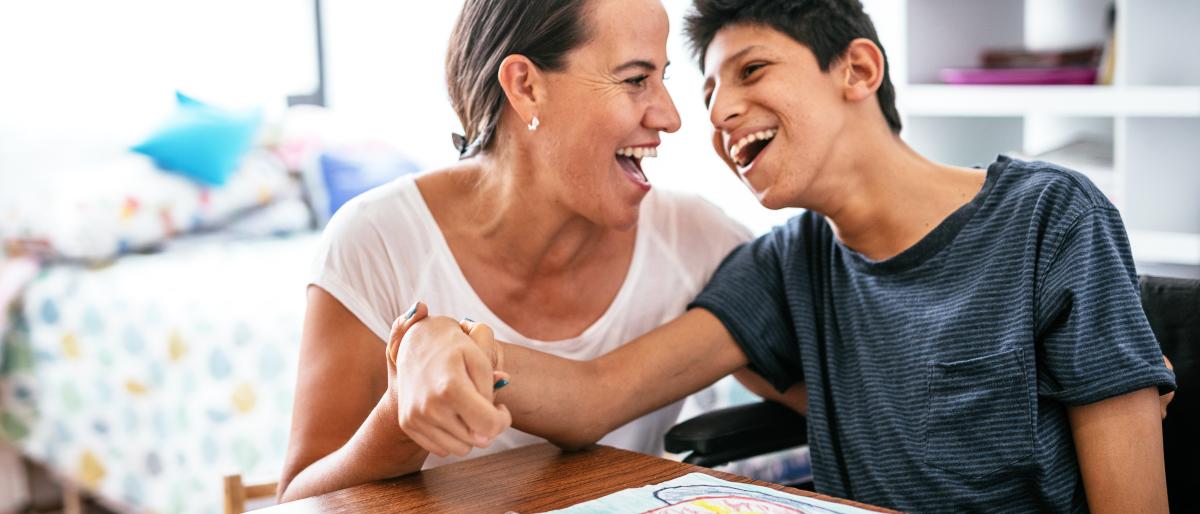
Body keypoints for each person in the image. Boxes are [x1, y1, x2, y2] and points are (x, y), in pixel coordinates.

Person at [392, 0, 1177, 512]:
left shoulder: (1050, 218)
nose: (720, 113)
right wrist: (445, 344)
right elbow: (596, 393)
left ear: (858, 71)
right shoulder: (787, 264)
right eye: (705, 95)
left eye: (753, 70)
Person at [276, 0, 760, 502]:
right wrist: (401, 416)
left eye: (663, 77)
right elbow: (298, 503)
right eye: (636, 79)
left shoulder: (698, 239)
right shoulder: (376, 241)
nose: (672, 116)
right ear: (526, 86)